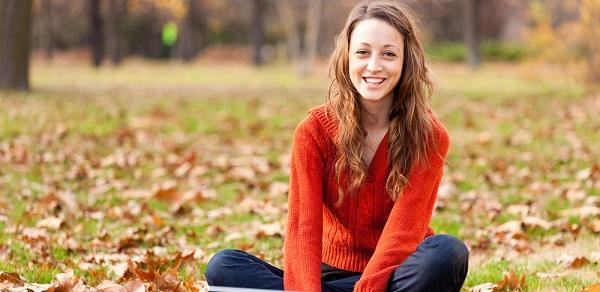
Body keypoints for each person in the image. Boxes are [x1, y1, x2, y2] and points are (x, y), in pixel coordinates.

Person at [204, 1, 469, 291]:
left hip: (397, 274)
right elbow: (302, 227)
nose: (374, 66)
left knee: (448, 253)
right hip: (328, 276)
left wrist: (368, 287)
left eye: (389, 54)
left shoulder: (429, 136)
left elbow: (404, 232)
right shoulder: (314, 131)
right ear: (347, 58)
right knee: (224, 266)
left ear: (407, 61)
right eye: (363, 52)